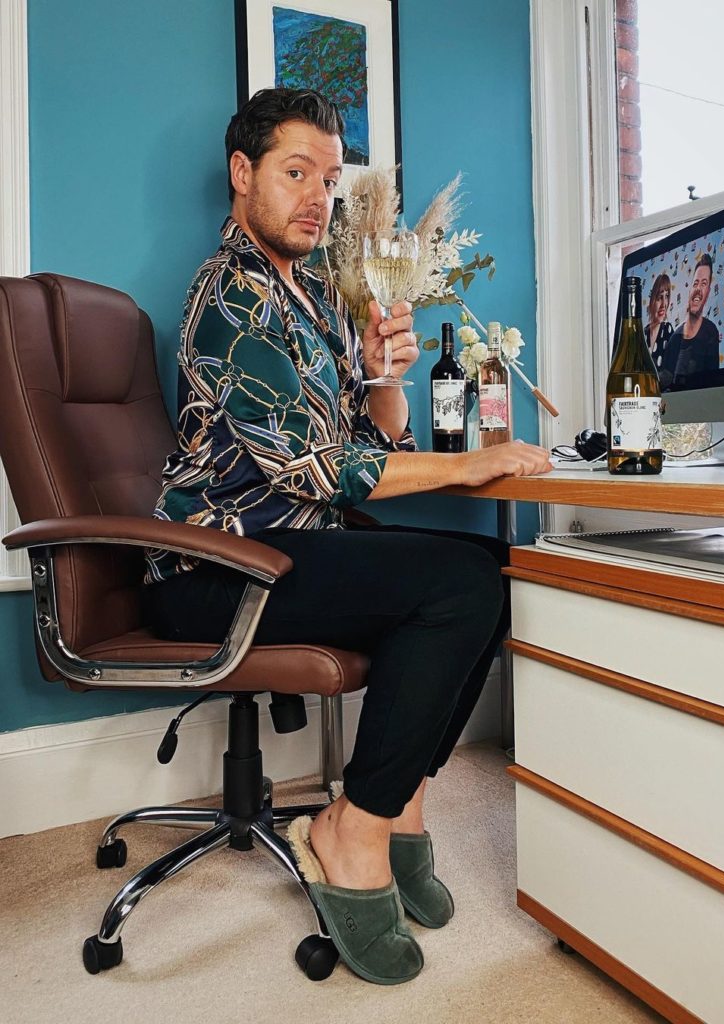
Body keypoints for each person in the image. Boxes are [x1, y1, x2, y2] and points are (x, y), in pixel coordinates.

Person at [143, 87, 553, 985]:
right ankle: (351, 830)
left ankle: (398, 806)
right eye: (296, 173)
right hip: (215, 570)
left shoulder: (313, 297)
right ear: (242, 172)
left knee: (487, 567)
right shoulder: (230, 296)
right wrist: (465, 467)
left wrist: (381, 374)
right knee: (456, 585)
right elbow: (319, 470)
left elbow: (375, 443)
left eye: (329, 181)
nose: (317, 199)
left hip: (293, 553)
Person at [663, 254, 720, 386]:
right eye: (695, 283)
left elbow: (713, 385)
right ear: (690, 290)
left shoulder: (710, 332)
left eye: (704, 284)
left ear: (708, 292)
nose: (698, 289)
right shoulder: (674, 338)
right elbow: (664, 387)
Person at [644, 273, 674, 389]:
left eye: (667, 296)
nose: (664, 304)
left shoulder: (668, 330)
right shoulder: (642, 334)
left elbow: (669, 375)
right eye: (660, 297)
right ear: (652, 300)